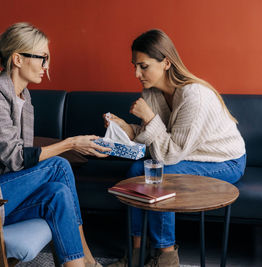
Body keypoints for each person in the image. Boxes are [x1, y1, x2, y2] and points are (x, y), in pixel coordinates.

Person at [0, 22, 110, 267]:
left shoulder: (25, 98)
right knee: (58, 166)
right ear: (17, 59)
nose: (46, 67)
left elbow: (22, 164)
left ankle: (78, 264)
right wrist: (70, 143)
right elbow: (16, 158)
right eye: (42, 58)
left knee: (57, 194)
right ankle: (88, 260)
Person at [105, 29, 246, 267]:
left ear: (166, 63)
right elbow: (156, 139)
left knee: (160, 176)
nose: (136, 73)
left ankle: (166, 256)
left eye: (143, 66)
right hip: (186, 155)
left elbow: (168, 154)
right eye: (134, 66)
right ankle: (136, 253)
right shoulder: (151, 93)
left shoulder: (195, 97)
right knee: (134, 172)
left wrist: (150, 119)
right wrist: (127, 129)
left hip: (224, 162)